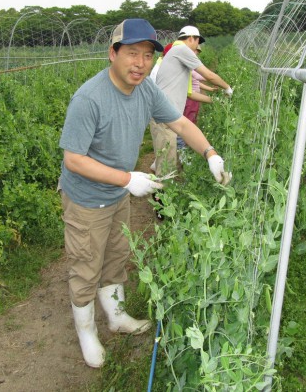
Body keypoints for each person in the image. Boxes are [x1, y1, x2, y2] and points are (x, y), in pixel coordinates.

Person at [58, 18, 231, 369]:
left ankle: (117, 317)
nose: (140, 63)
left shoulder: (146, 91)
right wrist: (126, 179)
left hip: (118, 192)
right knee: (86, 265)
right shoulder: (89, 98)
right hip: (87, 199)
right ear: (113, 53)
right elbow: (73, 159)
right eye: (132, 53)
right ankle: (86, 331)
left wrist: (210, 153)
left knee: (116, 255)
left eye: (148, 55)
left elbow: (180, 123)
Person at [150, 25, 233, 177]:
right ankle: (161, 198)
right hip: (163, 116)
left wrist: (215, 100)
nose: (197, 46)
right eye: (197, 41)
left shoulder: (177, 56)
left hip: (169, 116)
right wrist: (228, 88)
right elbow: (209, 75)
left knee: (168, 159)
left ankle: (164, 188)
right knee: (166, 166)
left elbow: (190, 93)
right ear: (190, 38)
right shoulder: (181, 50)